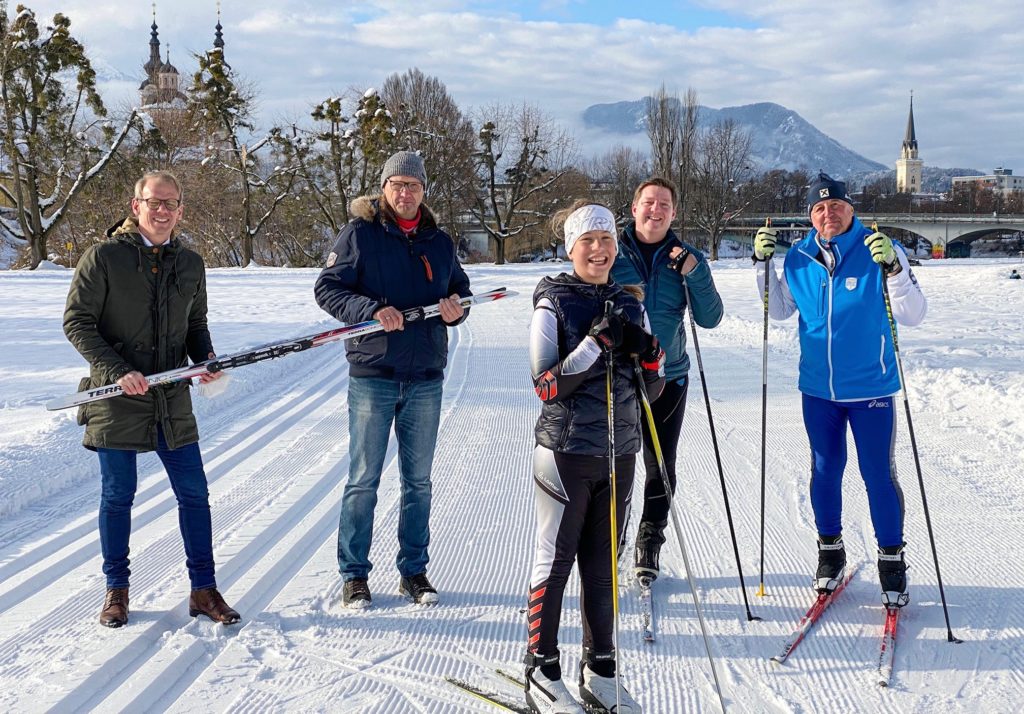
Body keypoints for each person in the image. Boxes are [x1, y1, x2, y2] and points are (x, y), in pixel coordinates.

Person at [63, 170, 240, 628]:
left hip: (171, 400)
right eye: (153, 202)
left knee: (195, 494)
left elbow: (196, 326)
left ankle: (203, 590)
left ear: (180, 210)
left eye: (170, 204)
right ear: (135, 204)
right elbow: (77, 323)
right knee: (118, 496)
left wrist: (206, 360)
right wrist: (119, 371)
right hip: (117, 398)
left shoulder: (191, 264)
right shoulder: (102, 258)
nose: (161, 211)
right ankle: (116, 591)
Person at [753, 172, 927, 607]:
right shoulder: (798, 257)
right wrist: (761, 265)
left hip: (871, 387)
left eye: (836, 206)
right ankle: (830, 551)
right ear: (811, 216)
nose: (828, 213)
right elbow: (778, 310)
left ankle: (892, 559)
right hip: (819, 390)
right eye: (819, 208)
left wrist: (896, 268)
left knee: (877, 475)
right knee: (825, 470)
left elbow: (913, 315)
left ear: (852, 209)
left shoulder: (879, 250)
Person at [314, 151, 471, 609]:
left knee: (417, 481)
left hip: (425, 375)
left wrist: (456, 307)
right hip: (374, 374)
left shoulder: (439, 242)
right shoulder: (360, 234)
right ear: (383, 188)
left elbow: (459, 289)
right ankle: (354, 574)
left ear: (424, 191)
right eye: (397, 184)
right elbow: (328, 287)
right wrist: (369, 311)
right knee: (363, 478)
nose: (405, 193)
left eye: (414, 185)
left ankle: (414, 572)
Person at [524, 201, 664, 714]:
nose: (599, 249)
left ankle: (600, 670)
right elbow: (545, 385)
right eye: (588, 241)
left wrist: (650, 357)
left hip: (620, 452)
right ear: (571, 247)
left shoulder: (631, 303)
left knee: (605, 568)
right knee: (555, 561)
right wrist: (590, 346)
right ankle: (541, 669)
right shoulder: (552, 303)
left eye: (606, 240)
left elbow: (650, 391)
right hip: (564, 452)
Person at [609, 177, 723, 582]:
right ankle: (612, 537)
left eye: (664, 205)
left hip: (669, 377)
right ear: (634, 206)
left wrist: (694, 273)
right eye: (649, 202)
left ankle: (649, 540)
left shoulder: (687, 257)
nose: (655, 210)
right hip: (616, 379)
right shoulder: (610, 250)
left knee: (660, 465)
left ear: (674, 213)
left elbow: (710, 318)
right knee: (613, 463)